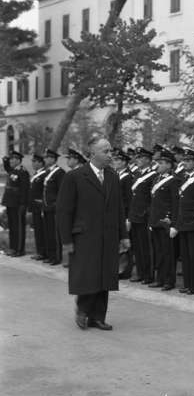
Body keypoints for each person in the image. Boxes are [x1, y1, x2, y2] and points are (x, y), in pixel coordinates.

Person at [56, 137, 129, 330]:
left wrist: (124, 236)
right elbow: (64, 211)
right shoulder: (75, 176)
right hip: (85, 236)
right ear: (92, 154)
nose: (110, 155)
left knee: (105, 275)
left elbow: (119, 208)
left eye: (111, 151)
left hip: (108, 235)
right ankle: (83, 309)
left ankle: (98, 317)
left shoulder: (113, 176)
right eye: (106, 151)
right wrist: (66, 240)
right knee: (88, 275)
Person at [170, 148, 194, 295]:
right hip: (184, 222)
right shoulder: (184, 178)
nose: (184, 163)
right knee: (186, 256)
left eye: (188, 161)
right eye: (184, 160)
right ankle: (188, 283)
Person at [148, 149, 179, 290]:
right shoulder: (156, 179)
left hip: (166, 222)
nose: (158, 165)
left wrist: (174, 223)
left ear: (169, 165)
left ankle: (169, 280)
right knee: (158, 252)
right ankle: (159, 278)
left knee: (167, 253)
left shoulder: (173, 181)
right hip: (155, 221)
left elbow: (175, 204)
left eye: (161, 163)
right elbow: (154, 203)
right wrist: (151, 220)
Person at [128, 147, 157, 284]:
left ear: (147, 160)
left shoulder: (153, 176)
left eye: (140, 158)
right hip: (135, 216)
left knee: (146, 247)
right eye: (137, 157)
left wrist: (148, 213)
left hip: (145, 217)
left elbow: (152, 198)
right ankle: (140, 272)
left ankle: (148, 275)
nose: (137, 160)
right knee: (138, 247)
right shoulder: (137, 174)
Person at [2, 150, 29, 256]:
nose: (11, 161)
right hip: (10, 203)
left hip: (18, 204)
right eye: (10, 159)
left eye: (13, 159)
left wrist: (23, 204)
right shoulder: (13, 170)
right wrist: (5, 160)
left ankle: (19, 249)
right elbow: (7, 167)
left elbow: (25, 189)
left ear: (18, 160)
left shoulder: (23, 172)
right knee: (12, 227)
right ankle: (13, 247)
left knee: (18, 227)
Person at [113, 149, 134, 280]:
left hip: (124, 215)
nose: (115, 162)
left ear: (124, 162)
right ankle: (116, 268)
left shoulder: (127, 177)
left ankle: (125, 270)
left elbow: (130, 199)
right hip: (114, 214)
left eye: (118, 160)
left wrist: (128, 217)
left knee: (125, 244)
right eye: (115, 160)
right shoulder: (115, 175)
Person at [42, 149, 65, 265]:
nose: (45, 159)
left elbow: (62, 191)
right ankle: (50, 255)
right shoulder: (47, 172)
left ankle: (56, 256)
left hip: (54, 207)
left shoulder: (59, 172)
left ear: (53, 159)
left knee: (55, 234)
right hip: (46, 206)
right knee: (48, 233)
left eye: (47, 157)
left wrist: (57, 204)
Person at [29, 153, 48, 261]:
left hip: (41, 206)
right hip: (35, 206)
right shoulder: (36, 174)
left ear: (40, 163)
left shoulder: (44, 174)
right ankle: (39, 251)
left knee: (42, 230)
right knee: (37, 230)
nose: (32, 163)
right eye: (32, 161)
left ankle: (43, 252)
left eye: (34, 161)